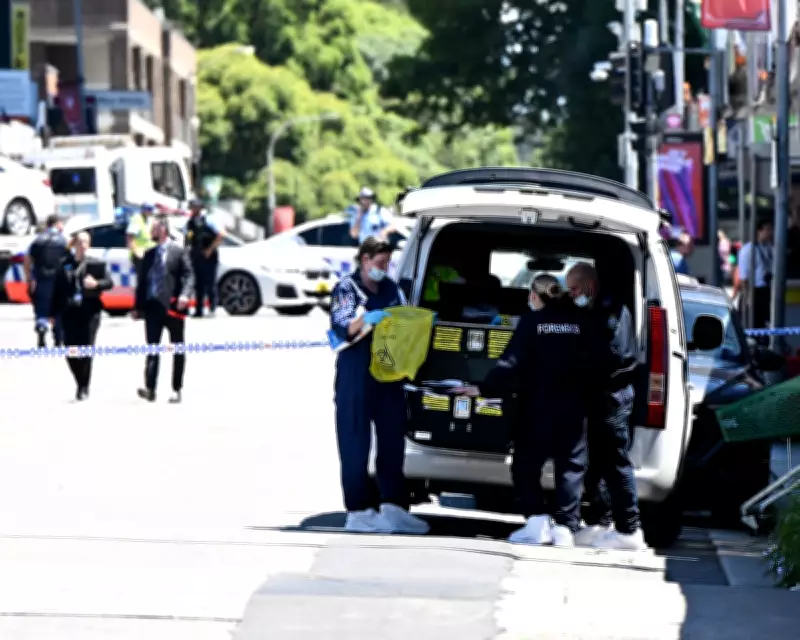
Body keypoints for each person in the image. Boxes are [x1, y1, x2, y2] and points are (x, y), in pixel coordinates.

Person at [452, 275, 608, 547]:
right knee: (571, 468)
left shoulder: (532, 323)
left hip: (538, 407)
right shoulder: (583, 323)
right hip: (574, 408)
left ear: (535, 296)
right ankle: (566, 528)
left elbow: (509, 364)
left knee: (526, 466)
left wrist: (484, 389)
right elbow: (600, 363)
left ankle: (536, 522)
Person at [329, 237, 429, 535]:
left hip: (387, 373)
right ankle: (359, 511)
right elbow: (343, 328)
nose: (384, 269)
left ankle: (393, 506)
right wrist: (366, 319)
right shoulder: (347, 289)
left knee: (392, 440)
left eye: (388, 264)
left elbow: (403, 316)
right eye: (380, 264)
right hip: (356, 374)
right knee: (355, 443)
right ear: (365, 260)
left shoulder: (389, 288)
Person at [565, 262, 647, 550]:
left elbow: (606, 356)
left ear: (589, 285)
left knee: (615, 464)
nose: (571, 294)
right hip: (602, 398)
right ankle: (602, 522)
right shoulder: (597, 309)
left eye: (574, 289)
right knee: (598, 463)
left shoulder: (609, 312)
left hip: (612, 397)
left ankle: (628, 530)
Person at [133, 215, 194, 403]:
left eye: (155, 227)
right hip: (153, 308)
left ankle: (176, 388)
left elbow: (189, 276)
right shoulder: (149, 254)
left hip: (173, 307)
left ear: (164, 229)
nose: (152, 230)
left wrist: (185, 295)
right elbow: (142, 282)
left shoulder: (179, 252)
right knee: (152, 349)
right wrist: (137, 306)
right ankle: (150, 388)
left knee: (177, 349)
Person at [51, 231, 113, 400]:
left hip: (90, 311)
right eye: (80, 242)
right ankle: (79, 379)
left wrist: (96, 284)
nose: (83, 246)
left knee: (86, 348)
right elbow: (57, 289)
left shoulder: (96, 264)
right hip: (69, 311)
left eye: (86, 242)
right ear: (74, 245)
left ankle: (84, 386)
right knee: (69, 348)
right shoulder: (65, 264)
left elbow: (109, 283)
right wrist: (51, 313)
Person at [24, 213, 68, 348]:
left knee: (42, 310)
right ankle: (58, 338)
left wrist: (29, 279)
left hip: (42, 280)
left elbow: (27, 260)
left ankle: (42, 331)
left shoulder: (37, 240)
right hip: (59, 281)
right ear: (56, 223)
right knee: (59, 309)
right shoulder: (63, 241)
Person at [184, 197, 225, 317]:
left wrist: (210, 250)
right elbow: (187, 238)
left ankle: (212, 308)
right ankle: (198, 309)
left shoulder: (209, 219)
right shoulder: (190, 221)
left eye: (195, 207)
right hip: (196, 255)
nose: (193, 209)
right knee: (198, 284)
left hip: (209, 256)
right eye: (192, 207)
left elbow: (221, 234)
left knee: (210, 283)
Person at [734, 217, 774, 335]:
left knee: (764, 323)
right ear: (759, 231)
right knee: (753, 325)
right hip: (754, 292)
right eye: (767, 230)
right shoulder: (748, 250)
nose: (770, 233)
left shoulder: (768, 248)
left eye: (771, 230)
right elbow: (744, 277)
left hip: (766, 290)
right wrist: (748, 296)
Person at [126, 202, 156, 276]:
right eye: (148, 209)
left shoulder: (150, 219)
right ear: (143, 209)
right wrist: (137, 252)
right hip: (140, 255)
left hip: (150, 254)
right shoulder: (137, 219)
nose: (150, 211)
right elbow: (130, 238)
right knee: (143, 280)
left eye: (152, 209)